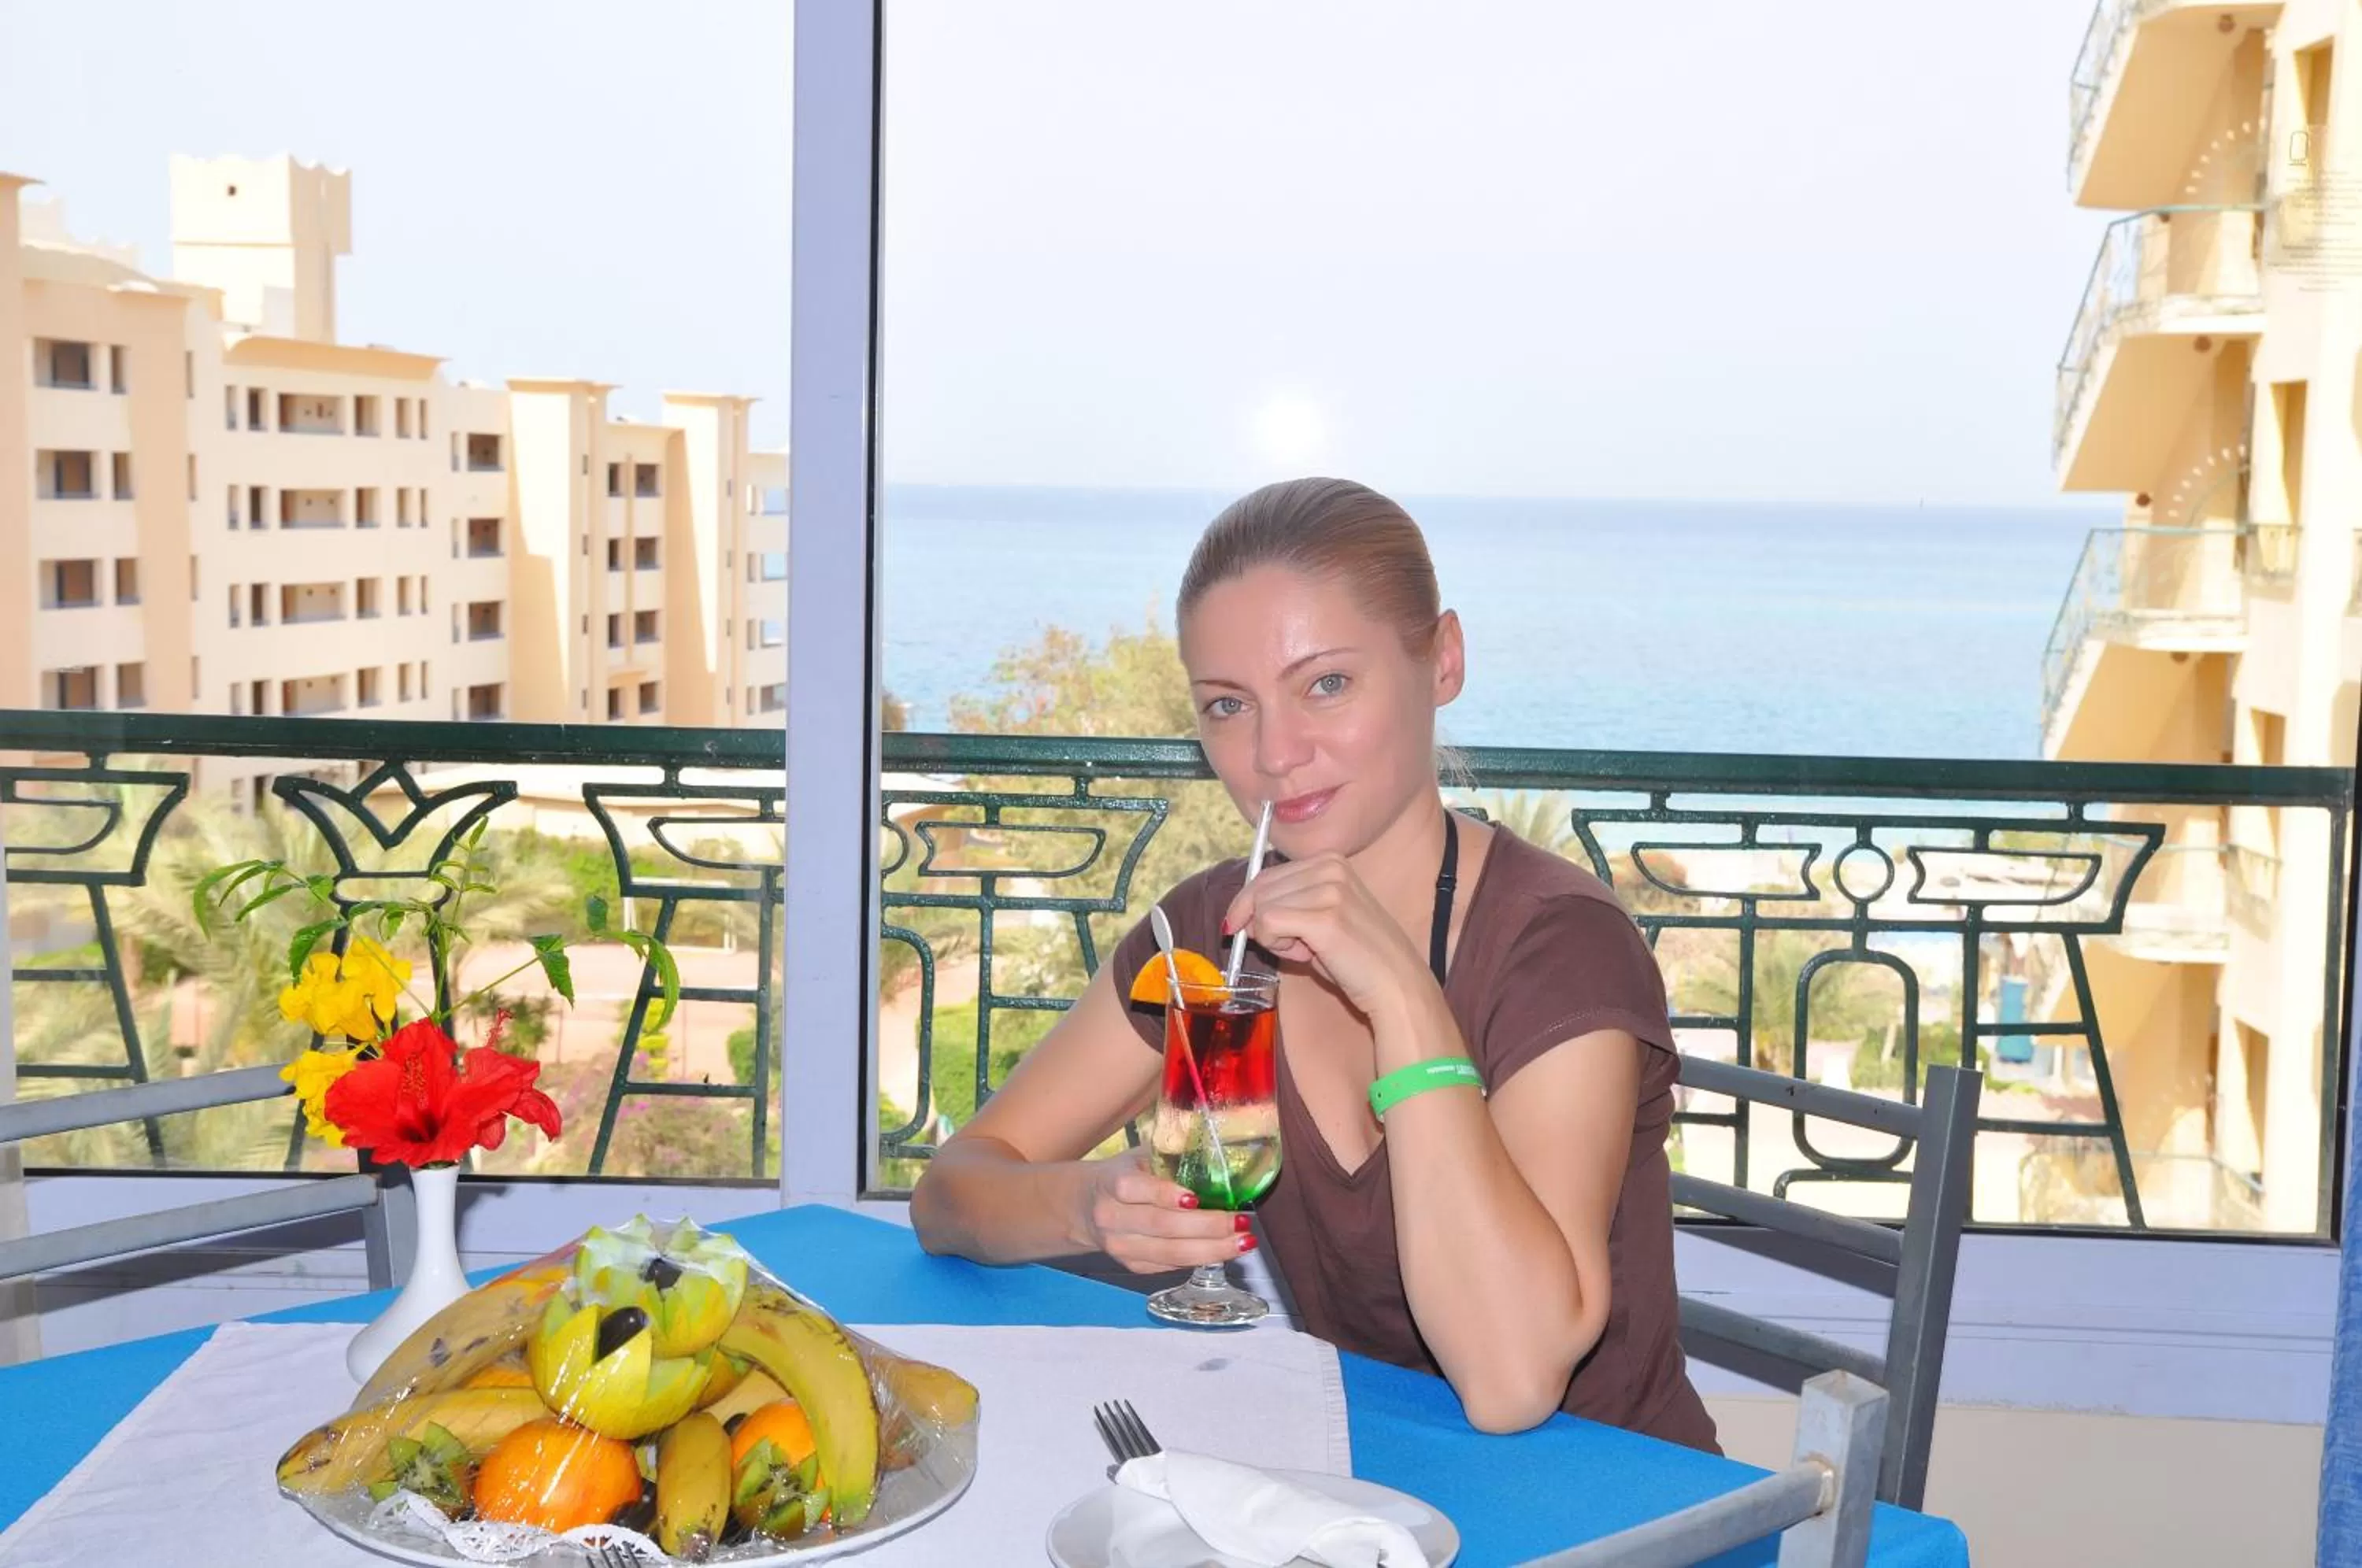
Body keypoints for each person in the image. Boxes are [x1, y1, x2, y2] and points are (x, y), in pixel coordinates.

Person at [909, 477, 1718, 1449]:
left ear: (1443, 659)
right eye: (1227, 705)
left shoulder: (1557, 948)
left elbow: (1512, 1382)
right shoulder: (1212, 935)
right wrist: (1090, 1206)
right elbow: (951, 1191)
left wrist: (1405, 999)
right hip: (1363, 1477)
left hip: (1617, 1512)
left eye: (1326, 684)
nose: (1275, 752)